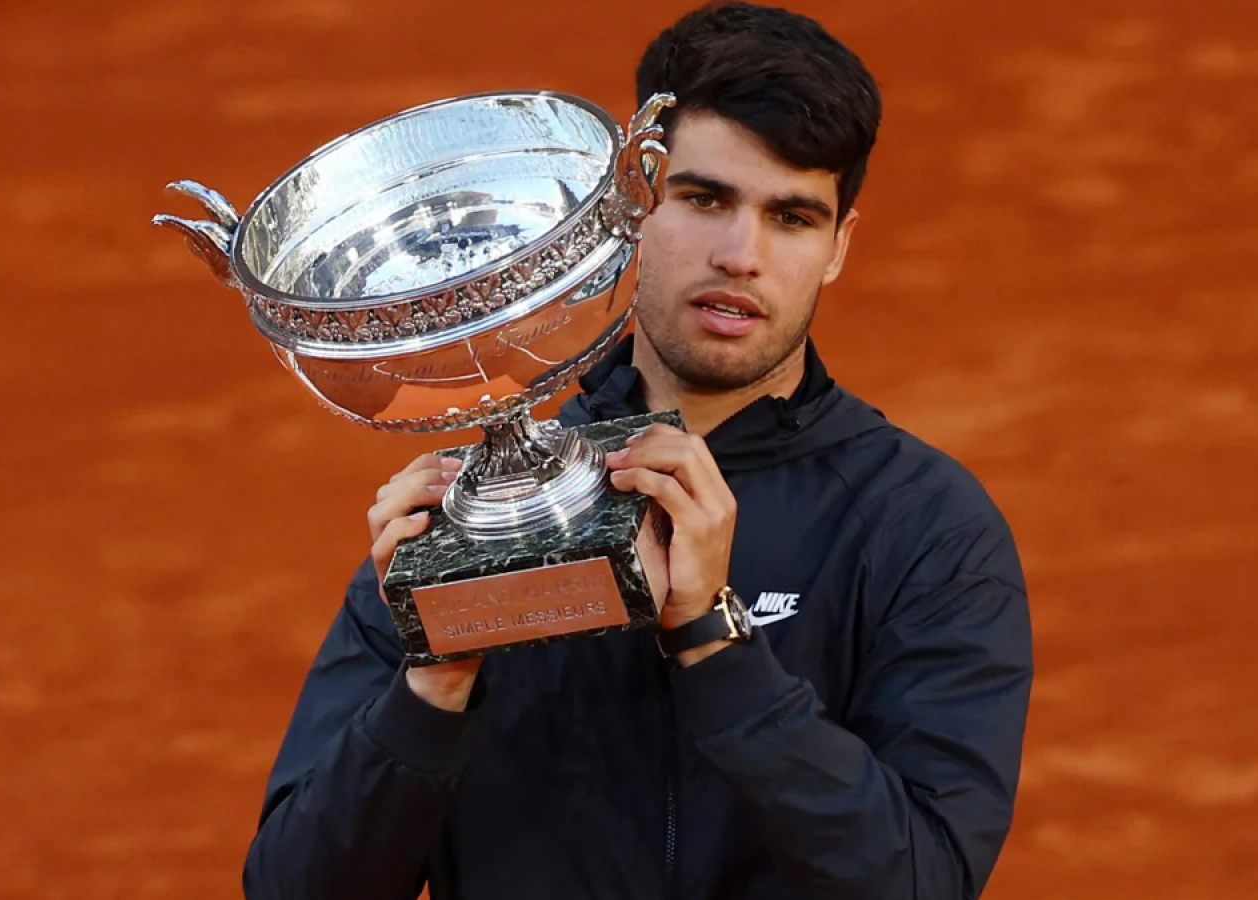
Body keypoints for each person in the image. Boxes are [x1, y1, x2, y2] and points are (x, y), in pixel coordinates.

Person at [241, 3, 1034, 899]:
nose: (742, 254)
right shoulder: (485, 507)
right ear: (631, 203)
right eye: (704, 199)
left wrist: (712, 643)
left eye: (794, 217)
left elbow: (922, 880)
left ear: (839, 248)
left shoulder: (923, 527)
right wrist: (434, 679)